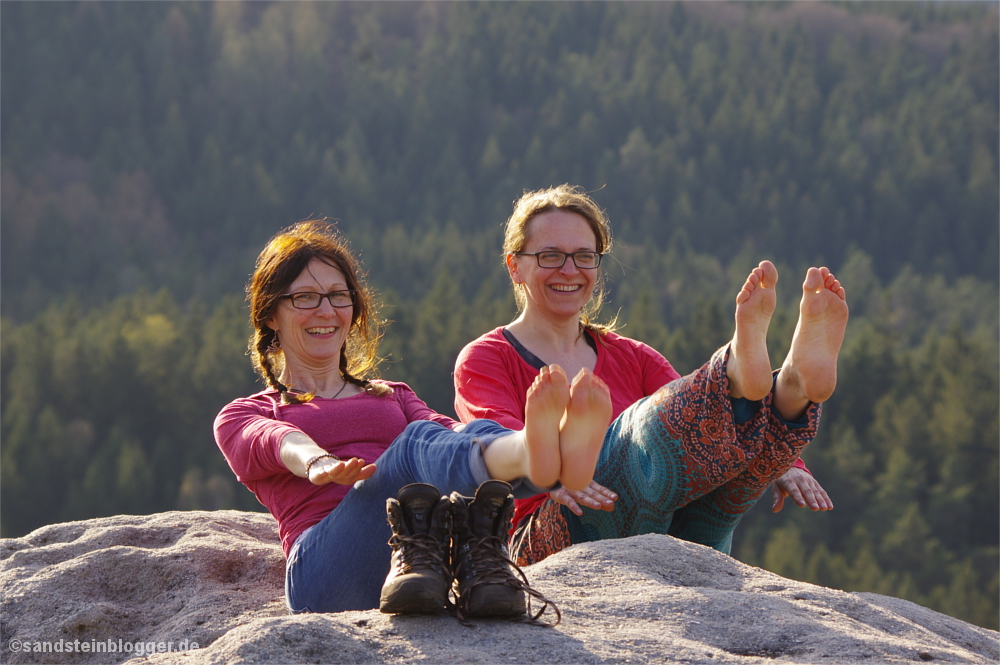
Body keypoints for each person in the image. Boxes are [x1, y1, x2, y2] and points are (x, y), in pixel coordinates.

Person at [214, 219, 611, 621]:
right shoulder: (247, 413)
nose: (326, 310)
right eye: (305, 298)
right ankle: (529, 452)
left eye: (338, 295)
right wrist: (318, 462)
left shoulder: (393, 395)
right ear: (270, 315)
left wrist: (515, 454)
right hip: (324, 574)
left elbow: (450, 436)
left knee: (459, 434)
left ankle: (538, 458)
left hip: (416, 561)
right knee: (414, 448)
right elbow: (278, 440)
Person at [453, 185, 848, 565]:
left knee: (717, 464)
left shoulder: (632, 356)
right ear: (515, 266)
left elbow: (698, 421)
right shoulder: (487, 358)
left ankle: (791, 390)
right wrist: (552, 474)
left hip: (674, 538)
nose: (570, 270)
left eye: (584, 256)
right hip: (545, 536)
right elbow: (495, 442)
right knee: (636, 438)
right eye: (551, 256)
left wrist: (784, 462)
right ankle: (737, 372)